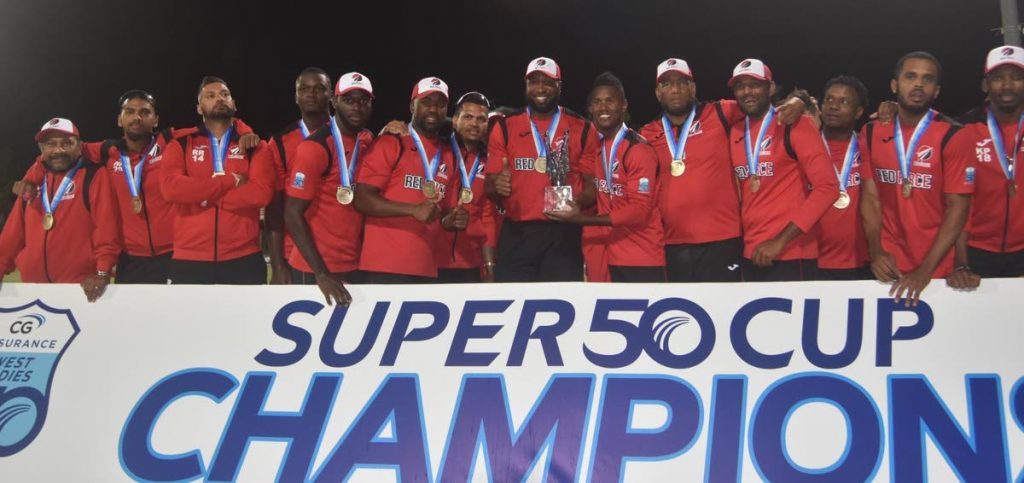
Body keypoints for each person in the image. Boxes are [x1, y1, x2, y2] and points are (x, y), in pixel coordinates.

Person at [12, 91, 260, 283]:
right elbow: (60, 150)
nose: (137, 117)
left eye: (145, 111)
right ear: (120, 119)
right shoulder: (108, 151)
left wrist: (245, 129)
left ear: (156, 119)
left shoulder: (170, 141)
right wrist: (32, 177)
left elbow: (216, 122)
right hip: (130, 258)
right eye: (129, 111)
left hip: (173, 253)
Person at [640, 58, 807, 282]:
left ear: (692, 87)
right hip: (672, 244)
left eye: (682, 82)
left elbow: (760, 104)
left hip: (722, 241)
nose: (675, 89)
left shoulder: (720, 112)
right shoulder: (648, 133)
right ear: (658, 93)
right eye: (667, 84)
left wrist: (799, 101)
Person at [859, 51, 975, 305]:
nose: (919, 84)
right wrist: (876, 250)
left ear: (936, 91)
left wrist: (925, 270)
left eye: (927, 79)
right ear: (894, 84)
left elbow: (958, 208)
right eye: (910, 76)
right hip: (886, 264)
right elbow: (870, 197)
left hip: (937, 268)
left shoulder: (954, 135)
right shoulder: (870, 132)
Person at [484, 57, 599, 282]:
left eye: (547, 82)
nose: (540, 88)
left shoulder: (582, 128)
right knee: (513, 307)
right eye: (533, 82)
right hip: (517, 233)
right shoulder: (506, 127)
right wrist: (497, 186)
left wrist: (578, 203)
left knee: (562, 307)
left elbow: (592, 185)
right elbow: (489, 185)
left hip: (563, 233)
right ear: (526, 86)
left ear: (559, 86)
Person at [546, 72, 665, 282]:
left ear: (623, 105)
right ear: (590, 109)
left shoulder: (638, 149)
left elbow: (639, 211)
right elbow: (596, 189)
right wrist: (569, 202)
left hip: (642, 256)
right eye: (597, 102)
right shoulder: (600, 148)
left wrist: (579, 218)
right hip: (614, 254)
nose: (603, 107)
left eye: (610, 101)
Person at [727, 58, 839, 281]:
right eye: (740, 86)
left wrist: (780, 241)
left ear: (770, 88)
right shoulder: (735, 131)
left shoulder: (795, 124)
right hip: (751, 253)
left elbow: (828, 188)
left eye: (755, 84)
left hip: (791, 253)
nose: (747, 91)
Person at [159, 76, 274, 284]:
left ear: (234, 104)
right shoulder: (181, 144)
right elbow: (171, 189)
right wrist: (229, 182)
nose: (219, 99)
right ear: (199, 108)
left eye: (224, 94)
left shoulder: (255, 145)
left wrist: (206, 197)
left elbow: (261, 193)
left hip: (243, 259)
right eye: (210, 96)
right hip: (189, 259)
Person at [354, 77, 467, 283]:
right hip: (384, 267)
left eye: (440, 104)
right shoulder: (390, 142)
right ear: (412, 106)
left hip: (426, 268)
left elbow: (444, 211)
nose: (433, 109)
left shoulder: (449, 155)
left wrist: (450, 220)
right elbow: (362, 199)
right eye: (426, 102)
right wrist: (412, 210)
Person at [0, 118, 121, 301]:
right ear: (41, 149)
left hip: (81, 289)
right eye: (50, 144)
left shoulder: (94, 176)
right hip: (34, 290)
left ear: (79, 146)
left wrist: (102, 272)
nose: (58, 150)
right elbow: (12, 234)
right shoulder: (32, 184)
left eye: (66, 143)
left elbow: (106, 230)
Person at [284, 72, 374, 304]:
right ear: (334, 102)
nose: (357, 107)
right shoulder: (314, 147)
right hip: (316, 268)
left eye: (363, 101)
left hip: (356, 262)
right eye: (349, 100)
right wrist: (321, 273)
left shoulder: (367, 141)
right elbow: (292, 213)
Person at [948, 45, 1024, 288]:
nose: (1008, 85)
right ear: (985, 84)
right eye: (999, 77)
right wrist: (961, 262)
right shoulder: (963, 129)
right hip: (975, 253)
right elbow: (957, 202)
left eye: (1017, 77)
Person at [266, 67, 334, 284]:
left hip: (344, 253)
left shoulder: (355, 137)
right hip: (296, 255)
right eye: (304, 89)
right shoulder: (279, 142)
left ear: (331, 95)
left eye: (319, 88)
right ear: (296, 97)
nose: (311, 94)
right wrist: (277, 264)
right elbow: (274, 207)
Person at [817, 76, 872, 280]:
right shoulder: (804, 146)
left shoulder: (869, 146)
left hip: (860, 261)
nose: (833, 106)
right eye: (829, 100)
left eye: (844, 102)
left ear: (858, 112)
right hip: (811, 261)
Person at [435, 92, 494, 283]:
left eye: (481, 119)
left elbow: (487, 217)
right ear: (454, 120)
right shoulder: (435, 151)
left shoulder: (490, 162)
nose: (474, 124)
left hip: (470, 264)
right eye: (468, 117)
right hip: (431, 260)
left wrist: (489, 266)